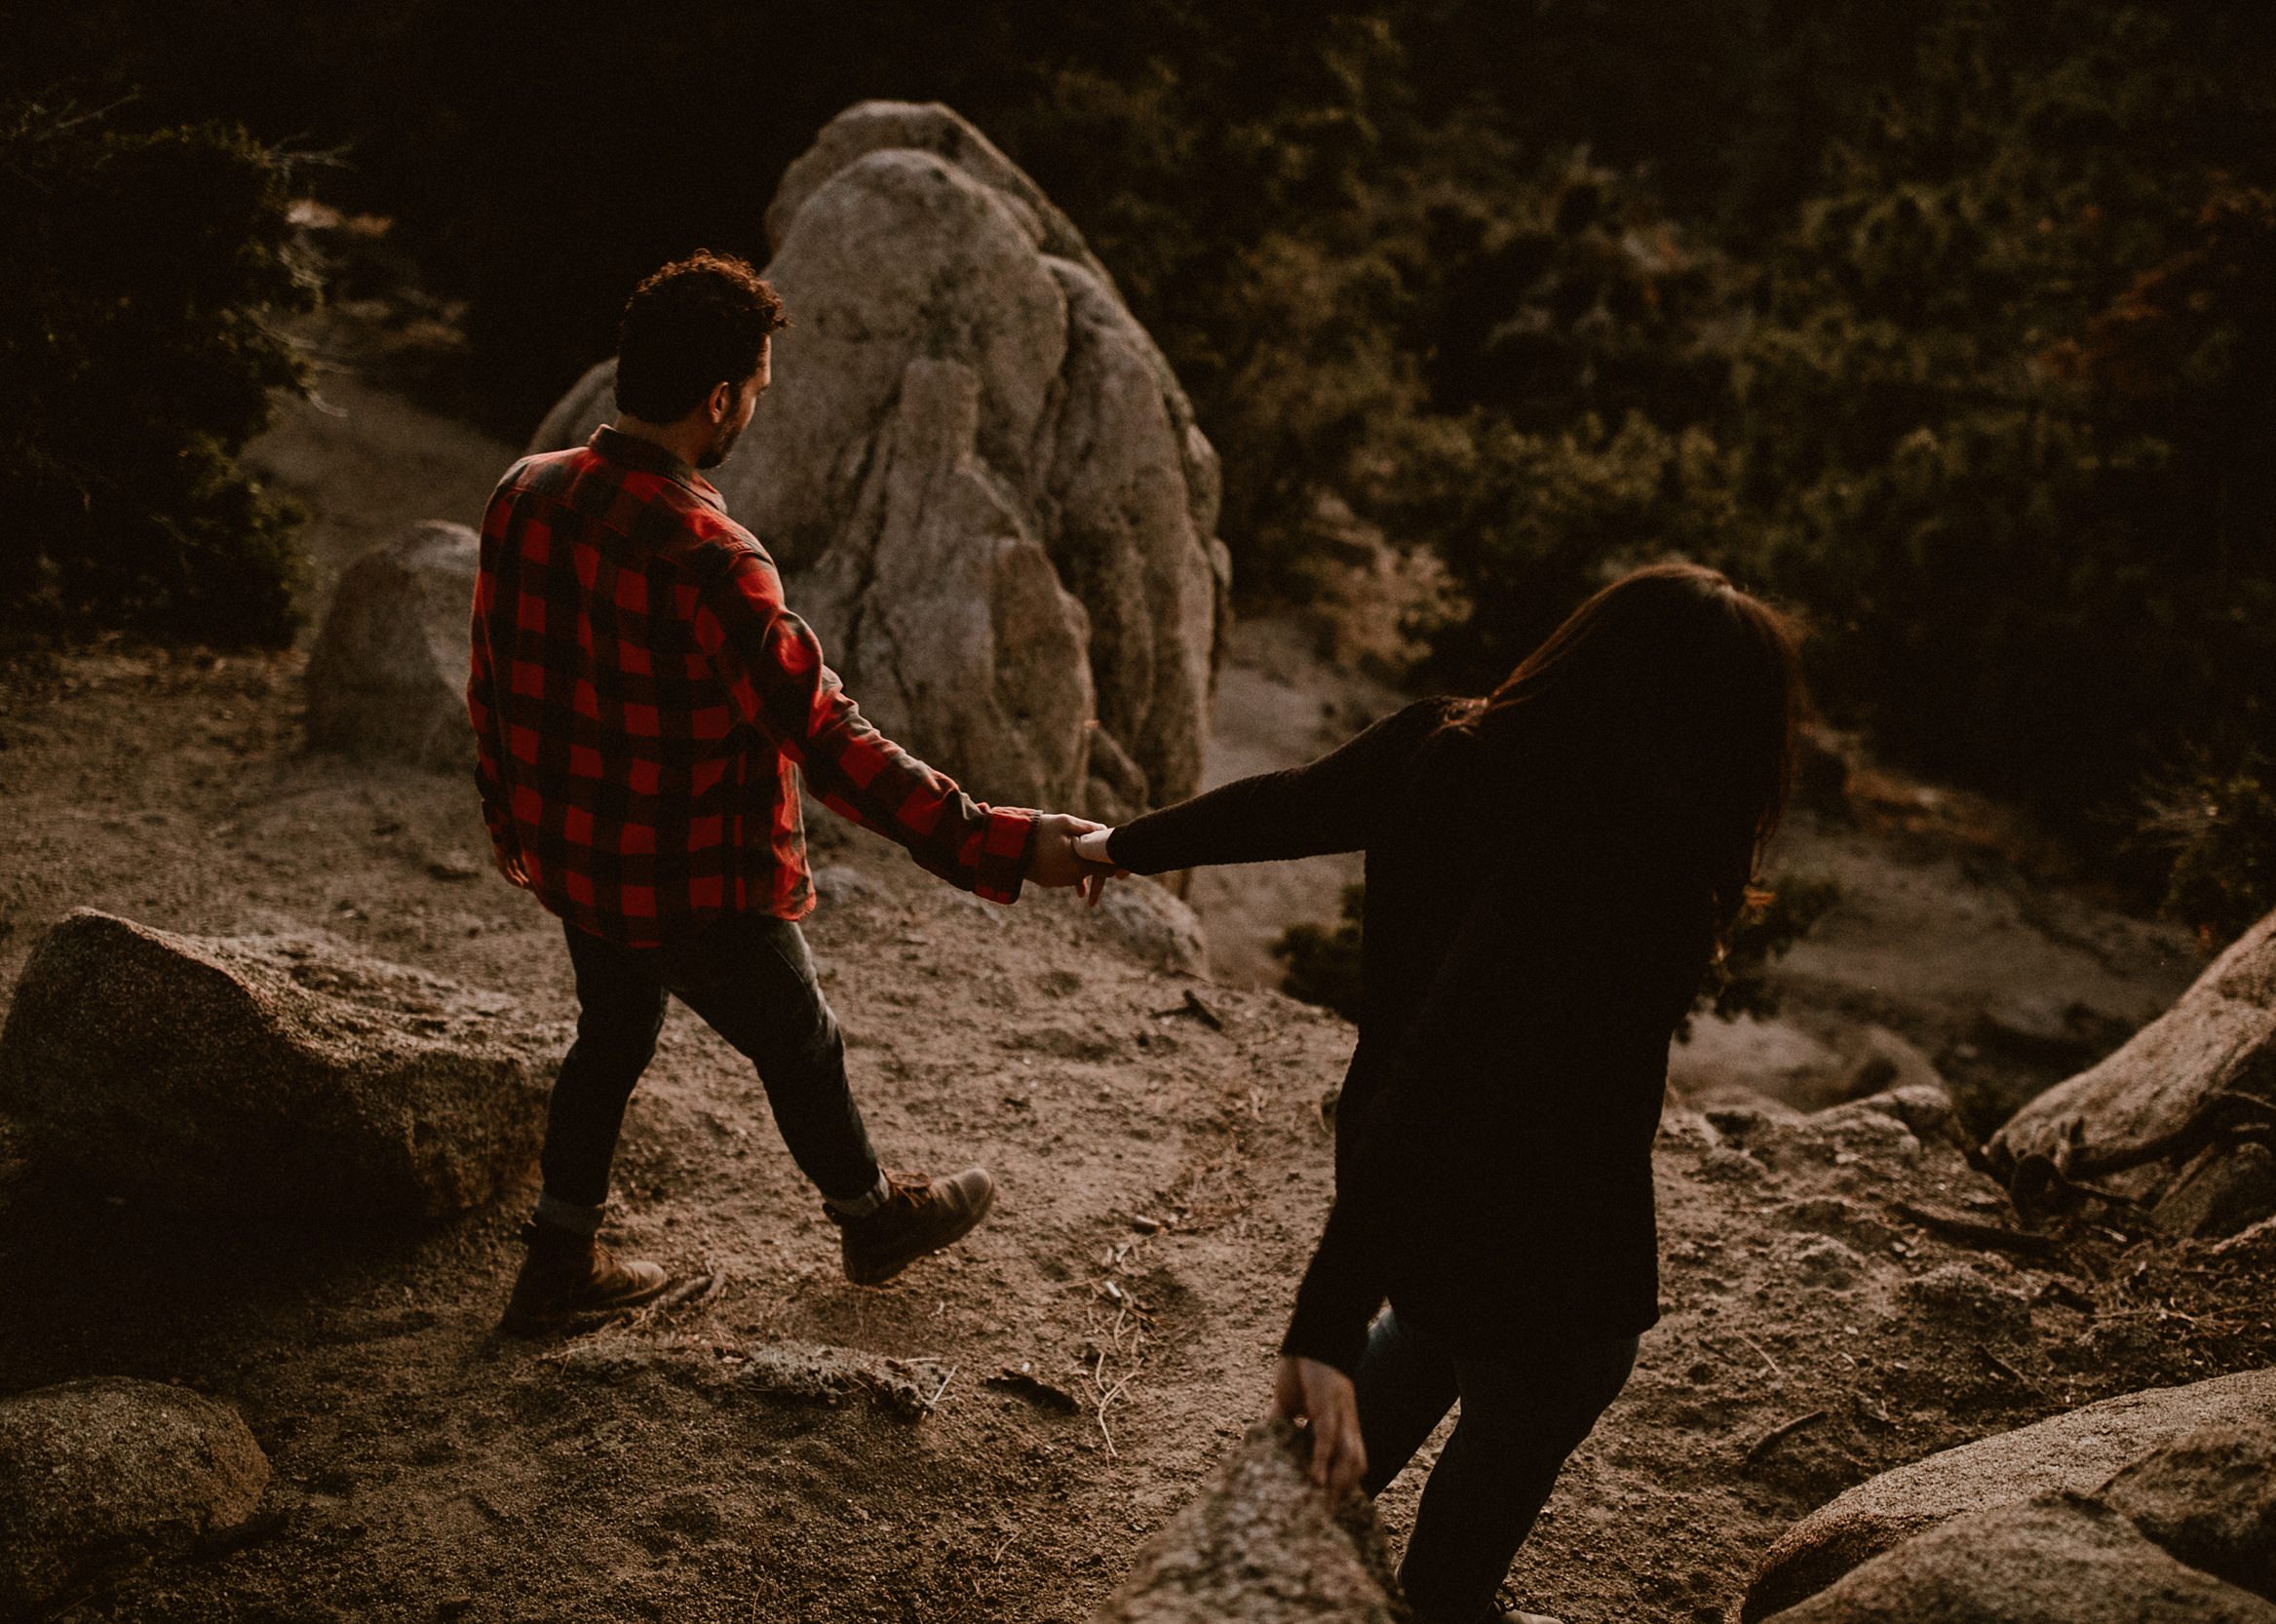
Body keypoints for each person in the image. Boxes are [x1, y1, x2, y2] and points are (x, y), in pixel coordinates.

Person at [1081, 563, 1802, 1624]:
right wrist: (1321, 1323)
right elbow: (1451, 1071)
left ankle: (1254, 1560)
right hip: (1548, 1238)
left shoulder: (1443, 743)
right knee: (1536, 1383)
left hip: (1408, 1196)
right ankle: (1440, 1602)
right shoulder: (1625, 858)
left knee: (1428, 1334)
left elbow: (1288, 807)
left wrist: (1123, 843)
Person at [469, 251, 1104, 1334]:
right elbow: (828, 738)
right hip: (693, 881)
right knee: (799, 1038)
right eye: (756, 391)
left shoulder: (524, 489)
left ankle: (559, 1257)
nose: (754, 409)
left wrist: (510, 822)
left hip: (577, 857)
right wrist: (1004, 839)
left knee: (611, 1033)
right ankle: (870, 1217)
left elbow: (493, 679)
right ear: (718, 398)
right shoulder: (713, 555)